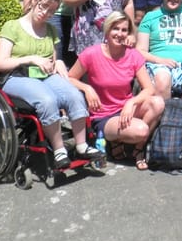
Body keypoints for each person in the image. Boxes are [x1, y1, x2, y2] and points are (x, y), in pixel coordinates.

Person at [0, 0, 103, 169]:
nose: (45, 13)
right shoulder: (12, 27)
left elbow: (53, 58)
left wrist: (58, 62)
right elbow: (1, 63)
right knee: (47, 100)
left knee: (74, 95)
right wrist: (31, 59)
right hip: (17, 76)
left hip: (44, 75)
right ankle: (59, 150)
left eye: (51, 11)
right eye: (43, 6)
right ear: (34, 1)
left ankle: (82, 145)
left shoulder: (50, 29)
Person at [68, 12, 165, 171]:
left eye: (124, 30)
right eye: (115, 29)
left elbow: (149, 89)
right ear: (107, 30)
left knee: (158, 103)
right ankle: (116, 141)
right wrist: (87, 88)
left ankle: (138, 149)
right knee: (142, 130)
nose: (119, 33)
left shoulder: (133, 55)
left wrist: (132, 102)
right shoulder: (91, 53)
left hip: (125, 108)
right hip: (103, 115)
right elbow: (69, 78)